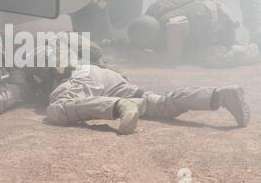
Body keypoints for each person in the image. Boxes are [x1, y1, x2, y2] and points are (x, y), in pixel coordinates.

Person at [45, 64, 251, 135]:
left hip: (80, 78)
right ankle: (219, 95)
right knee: (159, 105)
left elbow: (15, 90)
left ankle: (119, 105)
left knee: (58, 109)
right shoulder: (73, 43)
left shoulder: (33, 57)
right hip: (109, 77)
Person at [127, 0, 260, 67]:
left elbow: (171, 61)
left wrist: (140, 56)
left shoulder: (174, 25)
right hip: (205, 13)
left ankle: (255, 49)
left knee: (208, 59)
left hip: (221, 25)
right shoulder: (152, 12)